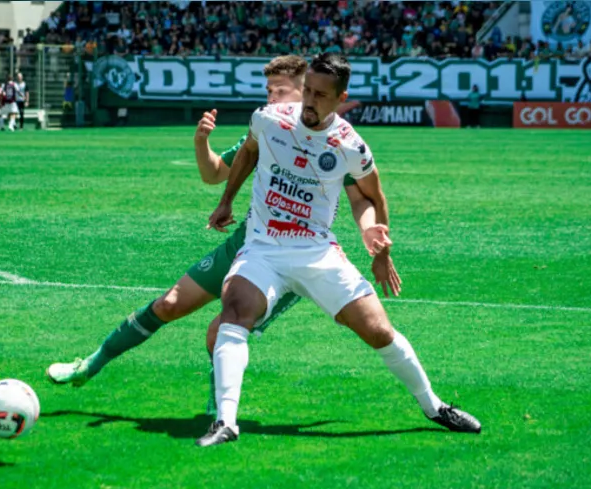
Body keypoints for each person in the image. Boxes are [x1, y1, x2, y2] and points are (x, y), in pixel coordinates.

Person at [46, 56, 396, 418]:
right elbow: (214, 173)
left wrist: (377, 242)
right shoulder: (268, 127)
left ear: (305, 91)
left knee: (218, 333)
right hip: (245, 243)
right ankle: (90, 363)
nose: (272, 96)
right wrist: (202, 142)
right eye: (268, 90)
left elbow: (366, 198)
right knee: (169, 304)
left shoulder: (336, 144)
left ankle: (219, 406)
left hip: (292, 260)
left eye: (280, 90)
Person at [197, 53, 481, 447]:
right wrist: (227, 199)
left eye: (320, 96)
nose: (309, 102)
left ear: (340, 98)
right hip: (264, 248)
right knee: (235, 310)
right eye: (307, 91)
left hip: (317, 252)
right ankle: (226, 422)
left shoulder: (350, 145)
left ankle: (434, 407)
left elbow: (371, 197)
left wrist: (378, 249)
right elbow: (249, 151)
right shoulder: (269, 118)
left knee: (379, 331)